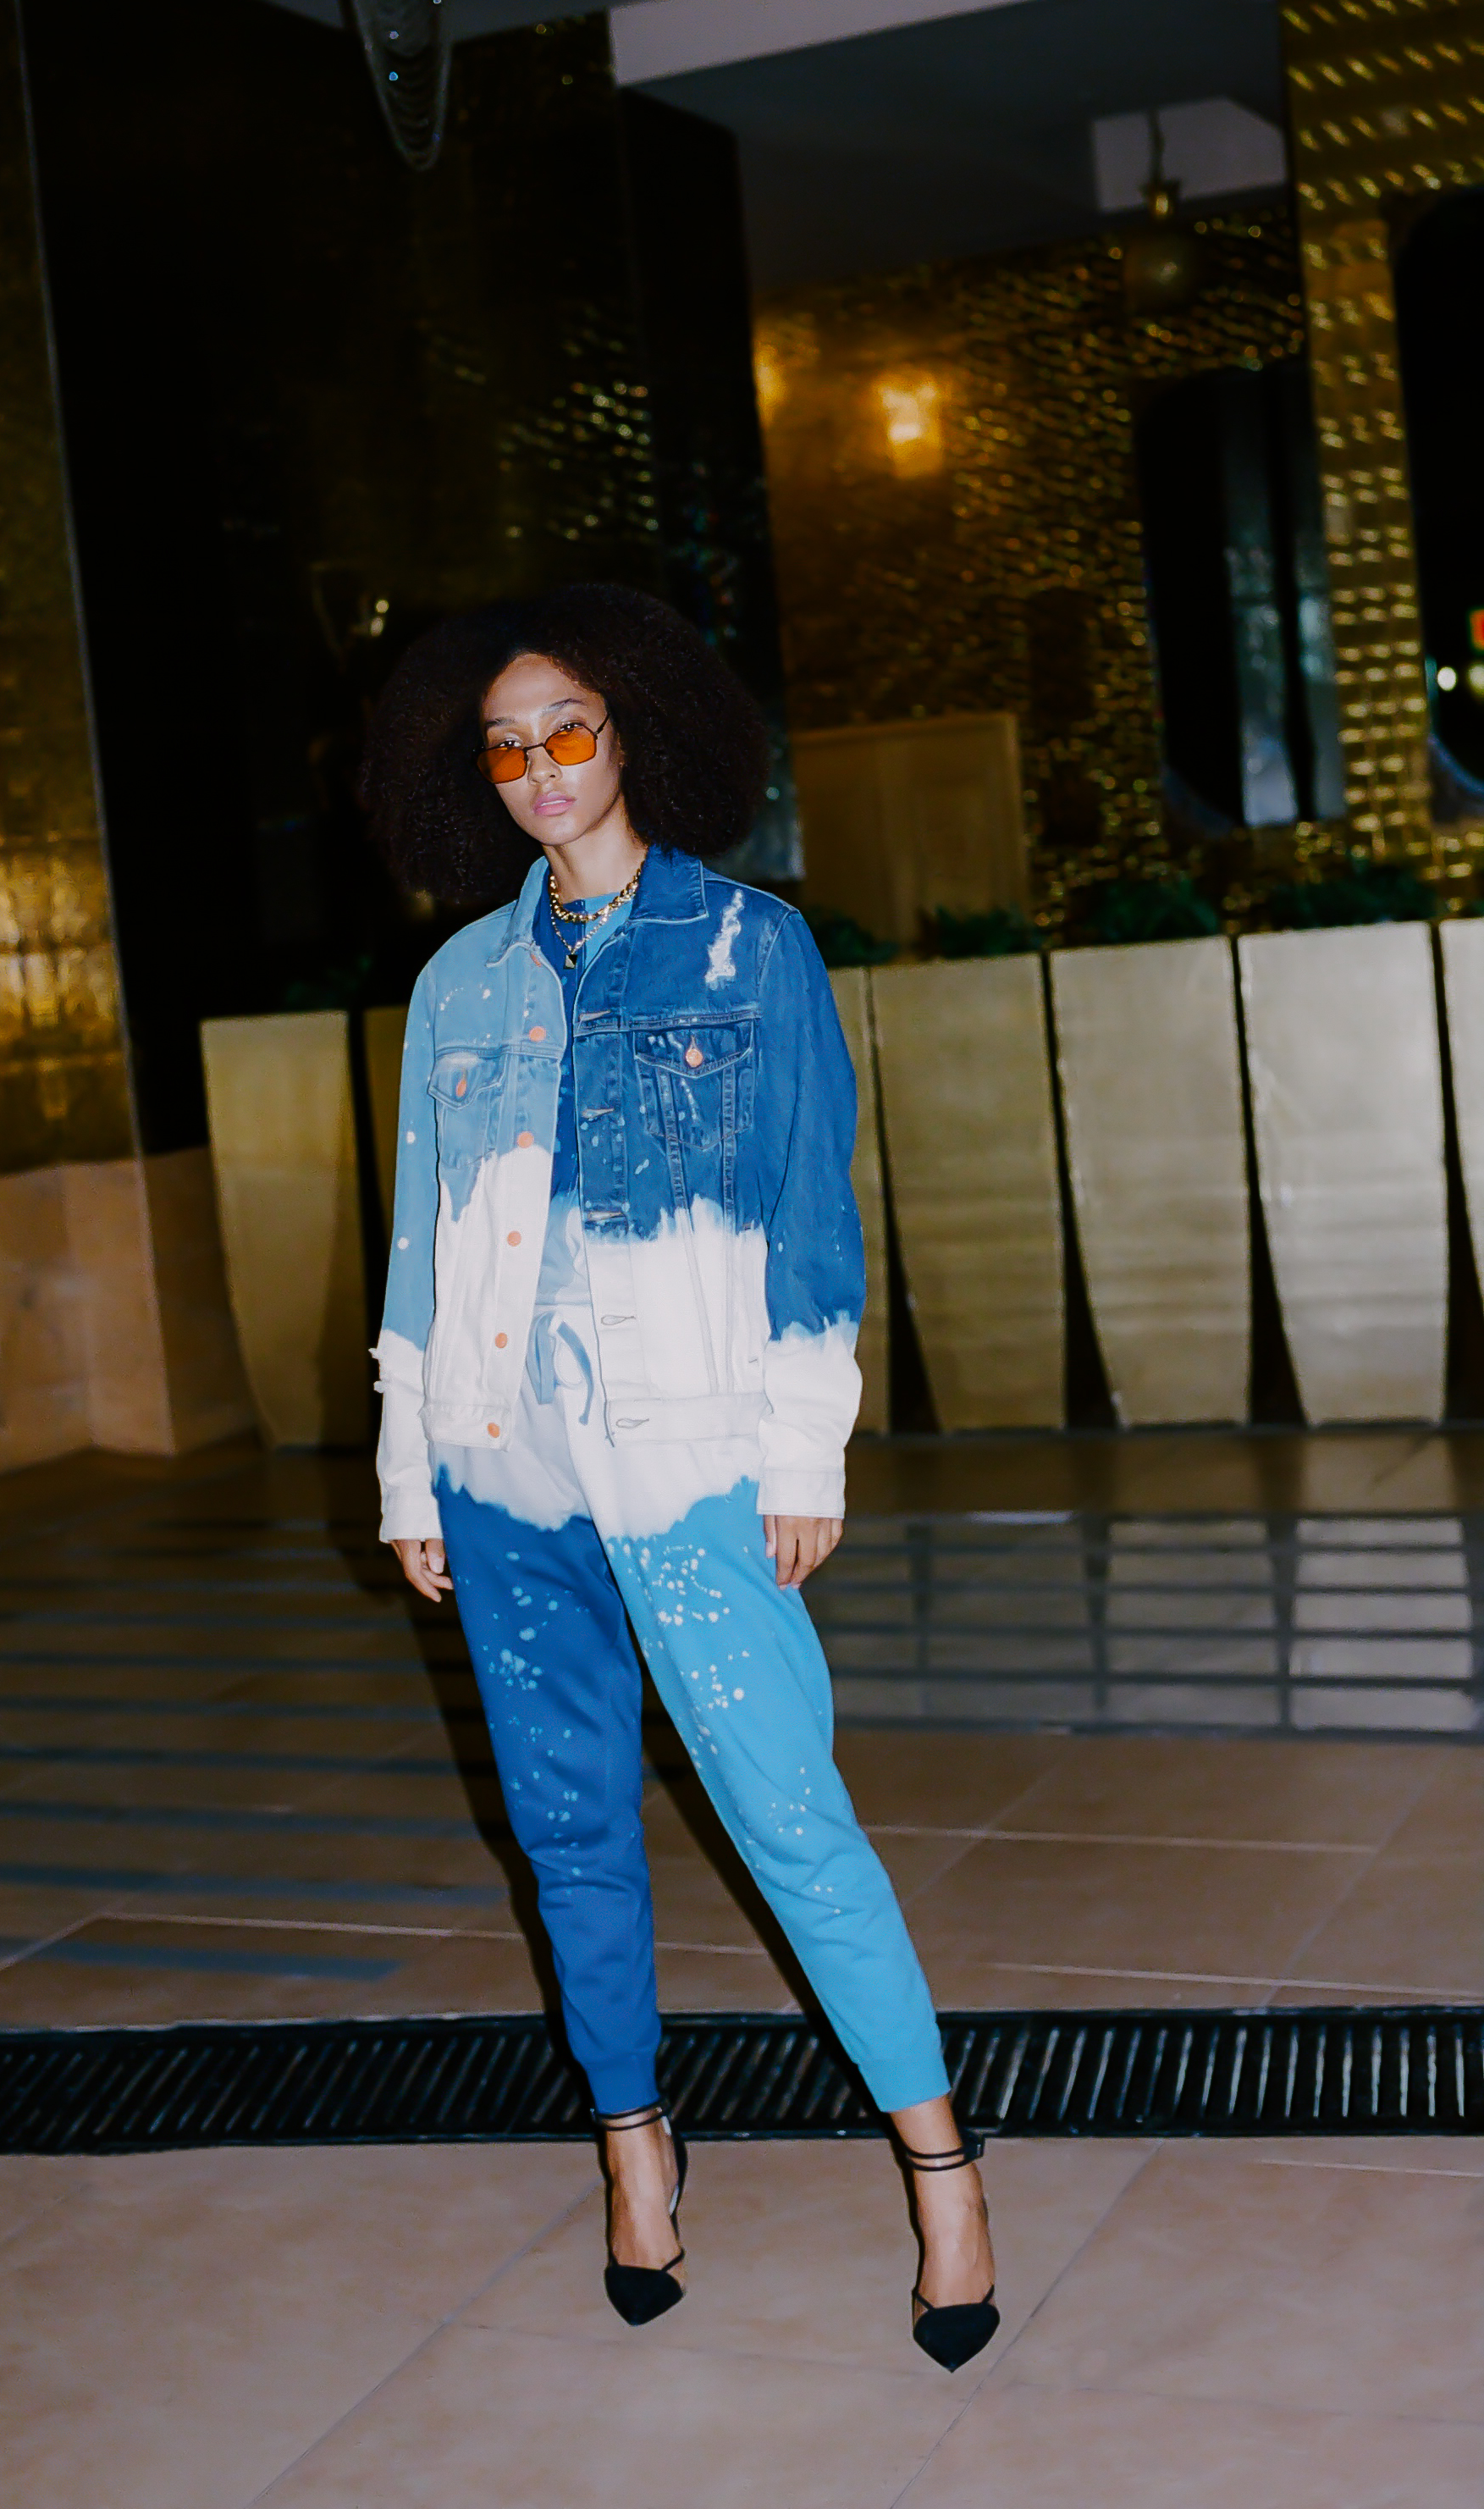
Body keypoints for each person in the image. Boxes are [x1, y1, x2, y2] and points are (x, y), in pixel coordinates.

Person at [362, 582, 997, 2368]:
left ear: (631, 727)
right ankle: (635, 2150)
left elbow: (810, 1214)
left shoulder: (748, 946)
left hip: (691, 1458)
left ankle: (943, 2170)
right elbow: (417, 1244)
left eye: (567, 729)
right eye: (505, 747)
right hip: (504, 1466)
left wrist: (804, 1447)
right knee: (567, 1828)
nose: (539, 769)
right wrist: (411, 1473)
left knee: (787, 1814)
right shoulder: (457, 985)